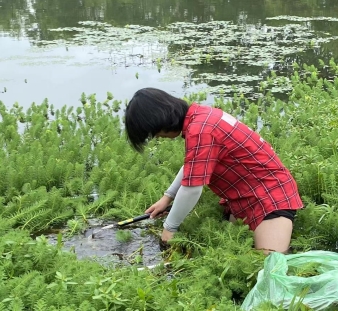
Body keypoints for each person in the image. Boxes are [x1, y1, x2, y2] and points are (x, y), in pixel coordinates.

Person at [124, 87, 303, 253]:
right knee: (231, 244)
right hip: (242, 197)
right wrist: (167, 198)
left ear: (161, 119)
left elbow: (192, 189)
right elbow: (192, 165)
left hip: (270, 195)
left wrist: (169, 228)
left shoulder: (201, 130)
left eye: (154, 132)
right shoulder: (200, 115)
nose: (157, 137)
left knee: (269, 261)